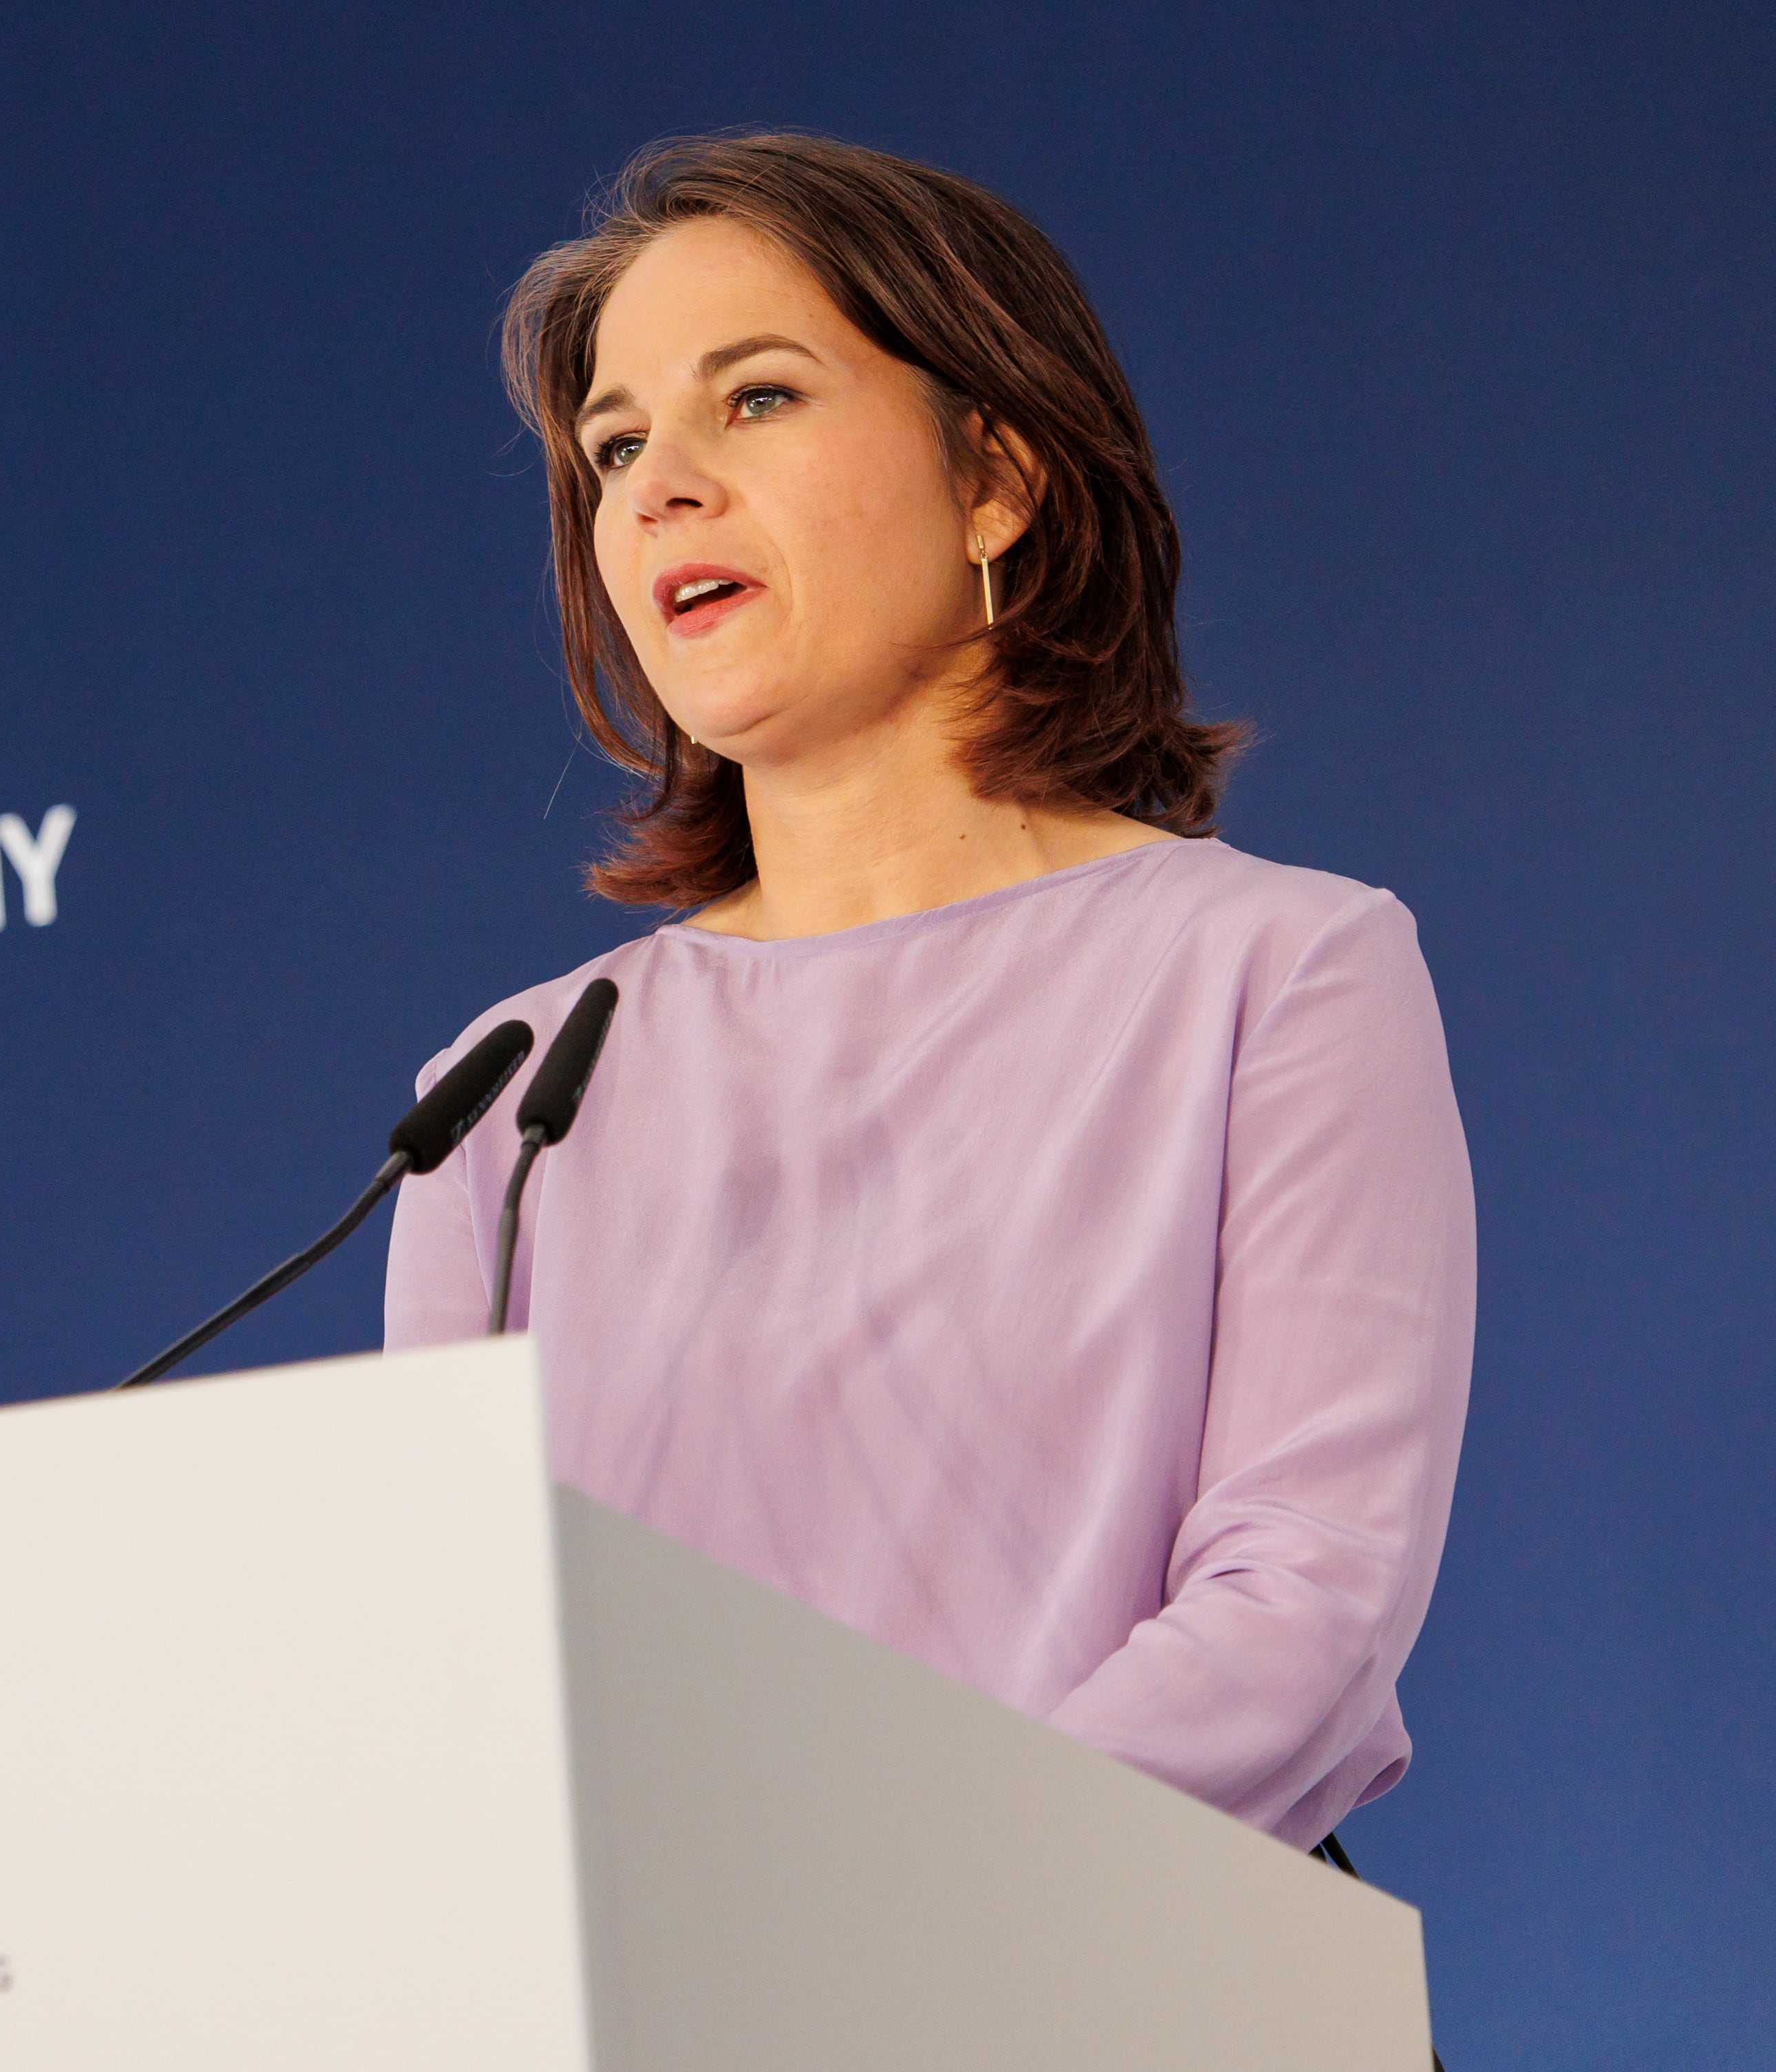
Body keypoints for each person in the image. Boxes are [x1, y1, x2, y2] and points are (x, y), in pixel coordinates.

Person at [385, 133, 1475, 1852]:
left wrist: (888, 1893)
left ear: (998, 478)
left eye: (753, 400)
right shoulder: (513, 1096)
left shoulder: (1277, 972)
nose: (658, 482)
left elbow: (1301, 1613)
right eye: (613, 445)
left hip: (1136, 1964)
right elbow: (446, 1691)